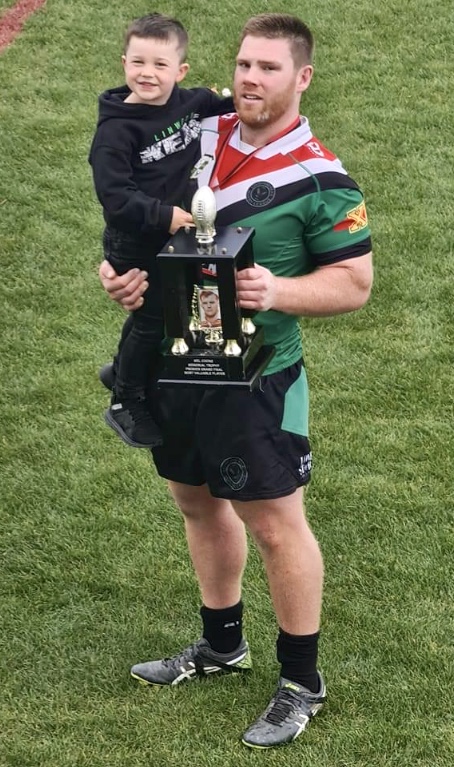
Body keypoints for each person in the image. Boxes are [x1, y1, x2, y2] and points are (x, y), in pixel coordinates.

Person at [99, 13, 373, 749]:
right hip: (179, 361)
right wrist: (120, 270)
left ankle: (300, 682)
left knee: (278, 526)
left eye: (269, 69)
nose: (251, 79)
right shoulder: (200, 130)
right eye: (245, 65)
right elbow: (143, 215)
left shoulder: (321, 176)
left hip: (258, 379)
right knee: (195, 502)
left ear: (302, 78)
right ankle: (222, 645)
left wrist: (276, 291)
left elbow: (355, 283)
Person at [89, 13, 233, 448]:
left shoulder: (189, 102)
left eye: (159, 65)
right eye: (137, 62)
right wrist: (165, 215)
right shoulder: (116, 130)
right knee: (153, 320)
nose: (147, 74)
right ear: (123, 62)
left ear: (180, 71)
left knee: (164, 314)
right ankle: (125, 398)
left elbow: (217, 104)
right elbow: (114, 196)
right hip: (135, 238)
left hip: (172, 234)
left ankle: (120, 368)